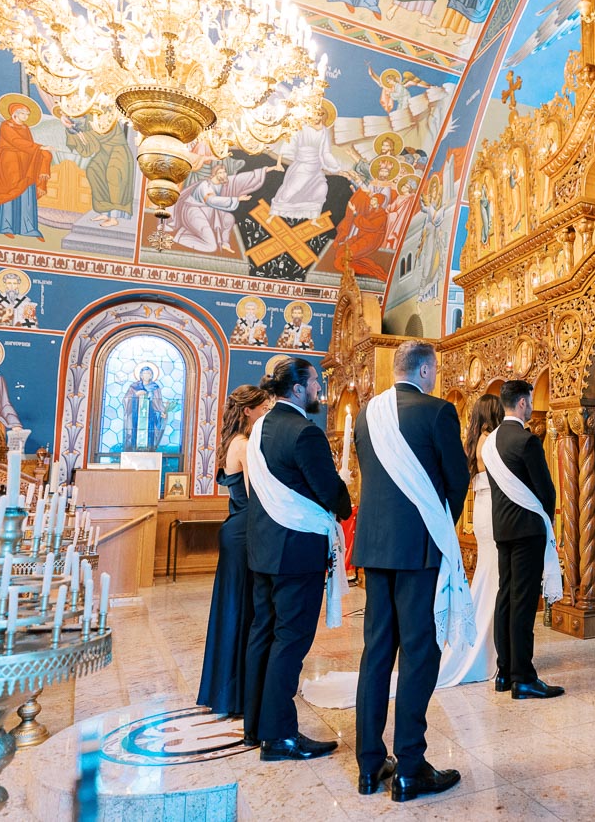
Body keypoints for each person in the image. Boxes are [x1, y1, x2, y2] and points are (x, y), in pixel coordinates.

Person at [353, 340, 471, 801]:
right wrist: (440, 521)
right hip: (420, 549)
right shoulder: (437, 412)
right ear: (426, 370)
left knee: (376, 653)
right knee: (420, 653)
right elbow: (456, 478)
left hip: (375, 547)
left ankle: (368, 766)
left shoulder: (366, 414)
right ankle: (410, 766)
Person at [244, 356, 352, 760]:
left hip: (264, 549)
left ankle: (255, 725)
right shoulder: (304, 432)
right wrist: (344, 498)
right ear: (296, 389)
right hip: (295, 550)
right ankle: (280, 736)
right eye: (314, 385)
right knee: (290, 641)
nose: (318, 392)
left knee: (264, 635)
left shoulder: (259, 429)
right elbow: (329, 492)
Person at [483, 379, 563, 699]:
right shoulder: (526, 441)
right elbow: (546, 490)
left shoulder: (490, 442)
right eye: (530, 401)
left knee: (506, 597)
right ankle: (524, 677)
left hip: (502, 529)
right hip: (528, 529)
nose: (531, 406)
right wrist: (546, 522)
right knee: (524, 603)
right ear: (521, 403)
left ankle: (504, 672)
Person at [198, 385, 272, 717]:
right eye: (262, 408)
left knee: (234, 609)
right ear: (247, 411)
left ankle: (229, 689)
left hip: (235, 528)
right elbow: (261, 492)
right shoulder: (244, 444)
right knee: (245, 610)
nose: (265, 413)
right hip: (244, 530)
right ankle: (238, 692)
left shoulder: (231, 442)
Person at [436, 394, 504, 687]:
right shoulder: (489, 440)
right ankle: (481, 648)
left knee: (491, 577)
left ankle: (487, 644)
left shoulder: (475, 439)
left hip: (482, 510)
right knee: (494, 578)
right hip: (492, 510)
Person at [0, 96, 52, 241]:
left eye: (27, 114)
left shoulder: (25, 128)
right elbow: (15, 141)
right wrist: (40, 147)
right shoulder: (6, 126)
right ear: (15, 113)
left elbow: (28, 145)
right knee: (9, 190)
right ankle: (5, 226)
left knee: (26, 191)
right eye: (23, 113)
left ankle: (28, 228)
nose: (25, 117)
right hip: (10, 162)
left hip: (25, 164)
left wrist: (42, 151)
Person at [123, 365, 167, 451]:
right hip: (135, 416)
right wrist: (135, 395)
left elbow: (158, 403)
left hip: (150, 416)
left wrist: (163, 412)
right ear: (141, 375)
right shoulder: (134, 387)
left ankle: (150, 449)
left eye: (149, 373)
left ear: (151, 376)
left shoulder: (155, 387)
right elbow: (125, 400)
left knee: (150, 434)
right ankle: (132, 450)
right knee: (133, 431)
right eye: (144, 373)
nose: (146, 375)